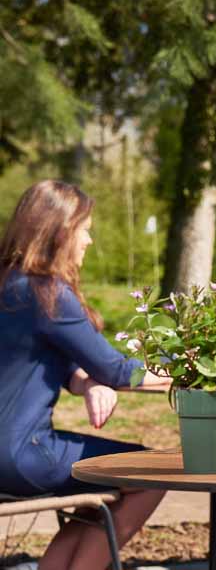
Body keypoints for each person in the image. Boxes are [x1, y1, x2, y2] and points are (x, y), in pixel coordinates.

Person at [0, 180, 169, 570]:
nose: (89, 240)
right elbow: (115, 367)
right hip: (22, 456)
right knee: (155, 471)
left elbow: (38, 357)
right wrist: (183, 372)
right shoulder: (47, 292)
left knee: (106, 483)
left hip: (9, 454)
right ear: (61, 231)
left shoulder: (9, 284)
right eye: (85, 228)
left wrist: (86, 381)